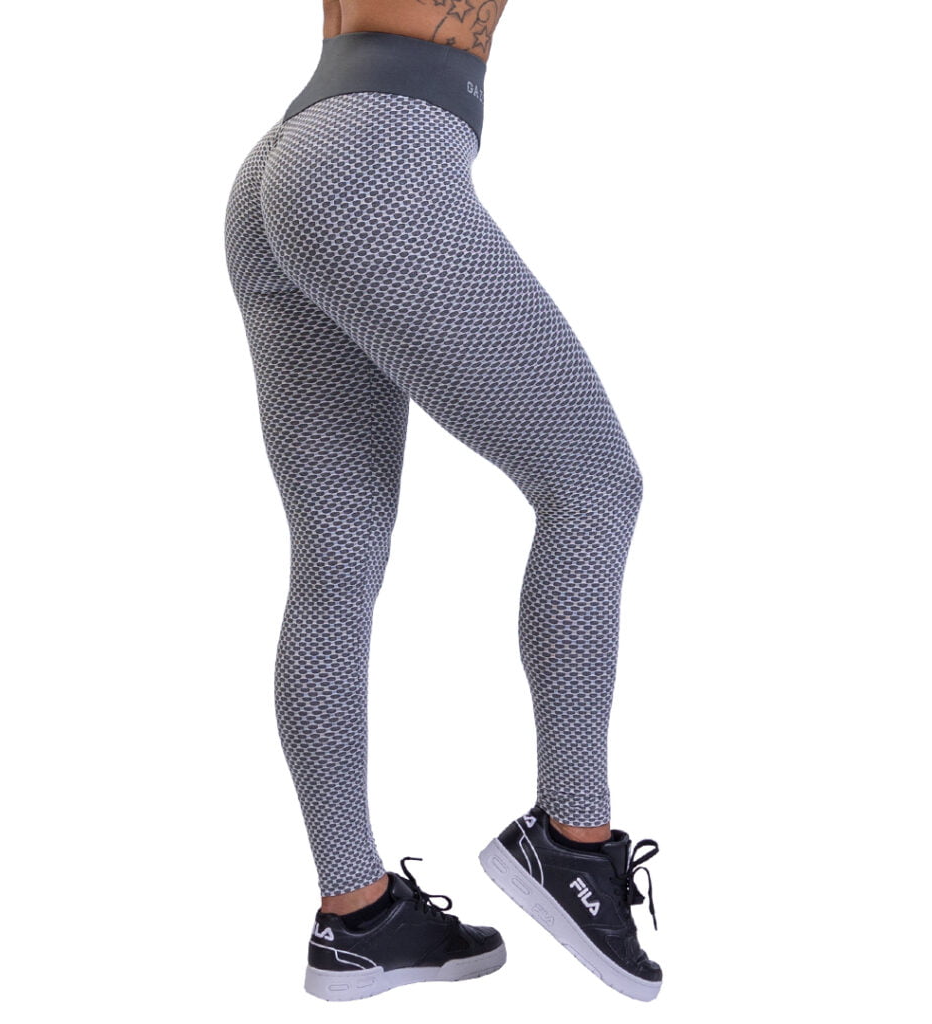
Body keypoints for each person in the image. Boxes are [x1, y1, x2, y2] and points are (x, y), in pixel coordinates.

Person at [224, 0, 661, 1002]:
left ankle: (358, 915)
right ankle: (571, 838)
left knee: (336, 560)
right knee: (593, 484)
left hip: (295, 152)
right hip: (375, 156)